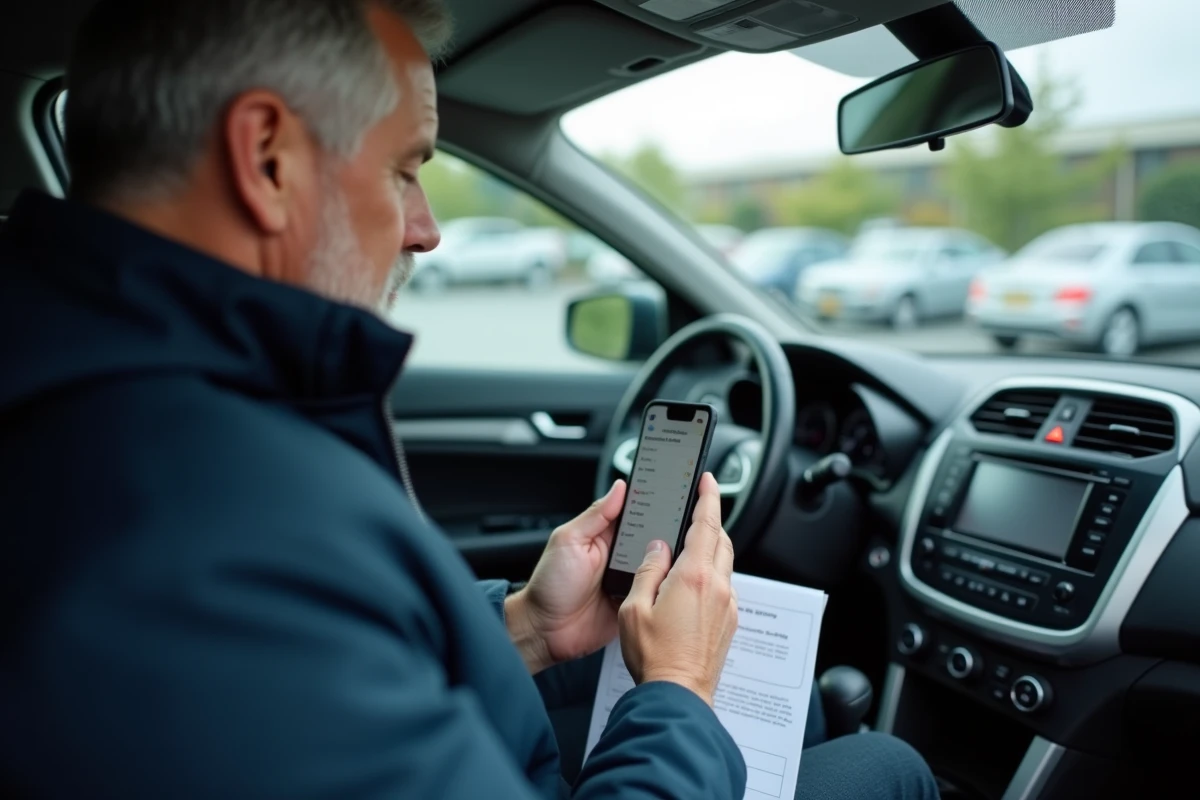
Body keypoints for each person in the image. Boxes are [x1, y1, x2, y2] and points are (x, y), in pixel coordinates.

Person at [0, 0, 939, 797]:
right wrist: (681, 689)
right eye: (406, 168)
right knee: (888, 765)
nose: (427, 229)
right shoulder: (204, 525)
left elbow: (348, 655)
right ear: (269, 158)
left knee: (800, 705)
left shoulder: (145, 409)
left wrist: (528, 623)